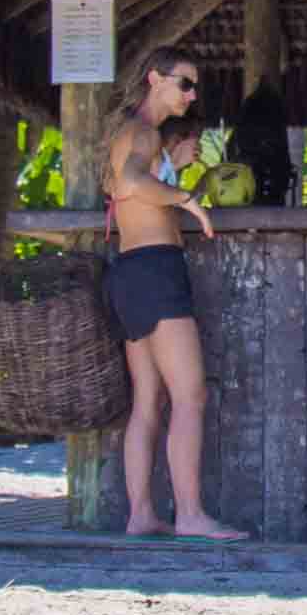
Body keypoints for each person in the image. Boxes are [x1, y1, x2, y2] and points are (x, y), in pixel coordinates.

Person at [99, 47, 241, 539]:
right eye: (184, 84)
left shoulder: (138, 134)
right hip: (155, 271)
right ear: (155, 78)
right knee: (190, 394)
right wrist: (188, 201)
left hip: (132, 270)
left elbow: (135, 186)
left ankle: (142, 514)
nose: (191, 94)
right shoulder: (140, 132)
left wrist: (178, 180)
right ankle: (191, 514)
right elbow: (131, 182)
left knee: (148, 400)